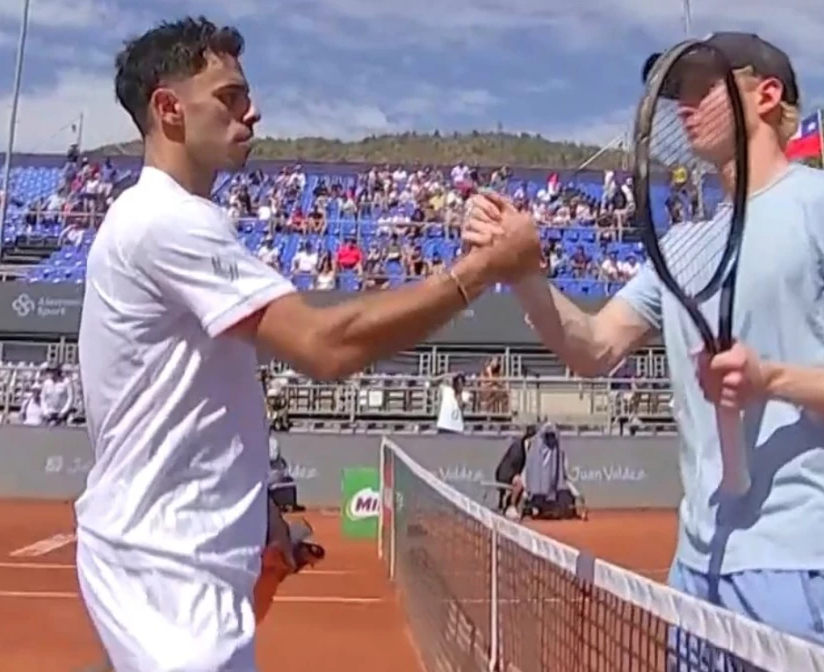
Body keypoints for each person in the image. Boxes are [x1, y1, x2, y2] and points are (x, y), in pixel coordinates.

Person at [73, 16, 540, 672]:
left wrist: (259, 510)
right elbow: (325, 348)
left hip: (174, 559)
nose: (253, 112)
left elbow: (189, 395)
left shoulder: (169, 220)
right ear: (168, 108)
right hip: (167, 570)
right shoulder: (166, 223)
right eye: (230, 97)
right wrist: (480, 272)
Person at [463, 32, 824, 671]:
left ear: (768, 96)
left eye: (705, 88)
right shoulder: (679, 246)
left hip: (815, 569)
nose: (684, 107)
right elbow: (594, 348)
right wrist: (523, 272)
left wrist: (773, 379)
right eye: (678, 94)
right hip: (700, 573)